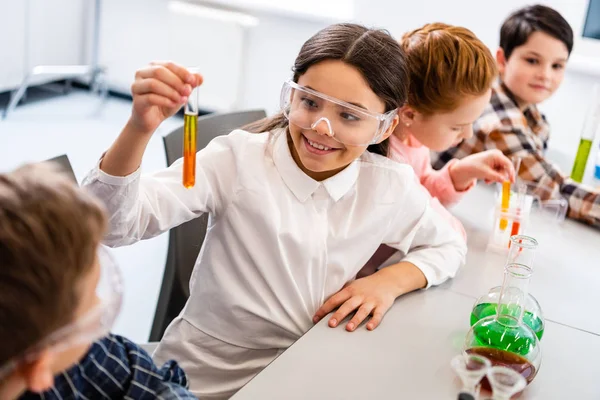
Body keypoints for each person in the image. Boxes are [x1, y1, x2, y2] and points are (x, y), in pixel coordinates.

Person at [82, 23, 466, 399]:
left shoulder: (388, 184)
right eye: (310, 102)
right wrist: (138, 127)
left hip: (307, 372)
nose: (321, 128)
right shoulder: (236, 158)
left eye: (349, 115)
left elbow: (448, 246)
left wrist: (388, 282)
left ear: (385, 127)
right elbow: (113, 226)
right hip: (200, 381)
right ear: (291, 96)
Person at [0, 163, 196, 399]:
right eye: (93, 295)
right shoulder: (61, 342)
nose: (100, 303)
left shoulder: (76, 349)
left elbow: (153, 387)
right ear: (39, 368)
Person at [358, 23, 515, 276]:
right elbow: (443, 228)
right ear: (410, 114)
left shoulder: (411, 137)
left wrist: (461, 172)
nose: (469, 134)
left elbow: (421, 191)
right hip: (362, 278)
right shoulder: (384, 161)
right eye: (457, 127)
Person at [432, 5, 600, 227]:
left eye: (557, 65)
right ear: (501, 60)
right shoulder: (499, 121)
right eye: (532, 61)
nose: (545, 75)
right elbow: (549, 188)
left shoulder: (532, 115)